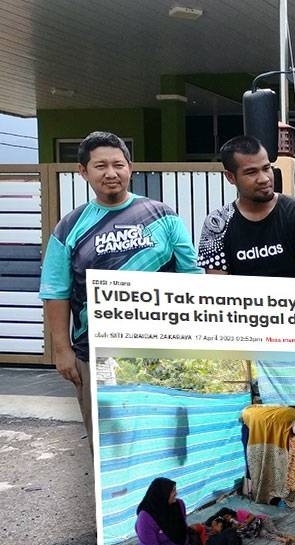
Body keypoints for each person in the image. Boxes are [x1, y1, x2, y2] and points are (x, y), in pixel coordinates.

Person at [39, 131, 202, 451]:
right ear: (83, 172)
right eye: (100, 166)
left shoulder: (162, 215)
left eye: (118, 164)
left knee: (167, 435)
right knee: (110, 444)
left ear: (131, 167)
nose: (111, 173)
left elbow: (191, 276)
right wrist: (62, 350)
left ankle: (164, 501)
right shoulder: (69, 228)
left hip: (163, 350)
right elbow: (55, 290)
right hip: (97, 352)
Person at [198, 135, 295, 278]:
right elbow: (218, 292)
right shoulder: (217, 223)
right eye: (251, 172)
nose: (264, 179)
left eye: (266, 168)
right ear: (230, 177)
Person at [134, 477, 205, 545]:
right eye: (172, 491)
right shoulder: (145, 517)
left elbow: (182, 529)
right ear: (161, 495)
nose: (176, 493)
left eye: (175, 489)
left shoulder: (179, 504)